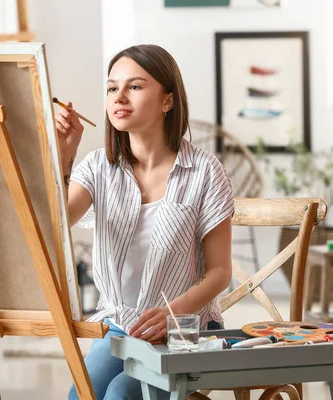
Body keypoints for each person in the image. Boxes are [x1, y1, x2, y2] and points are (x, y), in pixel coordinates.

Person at [58, 44, 234, 400]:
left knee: (122, 393)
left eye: (134, 87)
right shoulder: (96, 167)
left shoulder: (204, 172)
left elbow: (220, 272)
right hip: (119, 327)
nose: (119, 97)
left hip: (187, 329)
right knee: (83, 394)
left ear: (167, 101)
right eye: (111, 88)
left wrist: (171, 313)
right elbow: (54, 226)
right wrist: (64, 155)